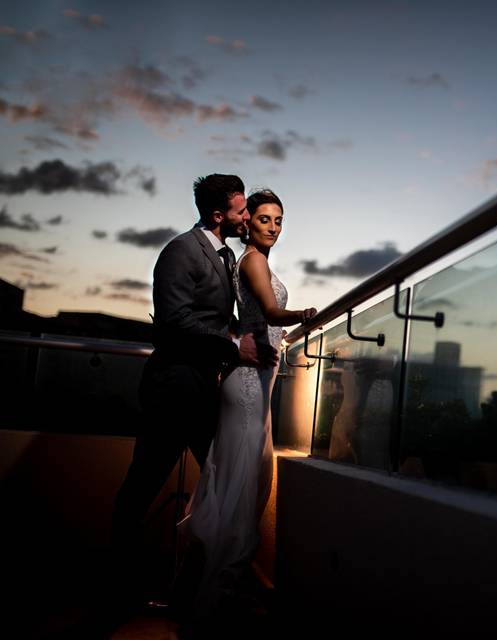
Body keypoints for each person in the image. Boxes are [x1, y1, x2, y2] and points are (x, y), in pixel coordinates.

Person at [110, 174, 273, 610]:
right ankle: (117, 588)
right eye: (242, 211)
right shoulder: (182, 250)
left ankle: (199, 584)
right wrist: (235, 345)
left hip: (204, 391)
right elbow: (174, 320)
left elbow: (213, 316)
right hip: (173, 390)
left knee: (219, 486)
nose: (246, 216)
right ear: (219, 215)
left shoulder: (224, 257)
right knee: (142, 488)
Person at [179, 188, 316, 628]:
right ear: (247, 224)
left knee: (247, 484)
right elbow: (273, 313)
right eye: (263, 219)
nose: (273, 227)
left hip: (259, 381)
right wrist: (303, 315)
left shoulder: (256, 261)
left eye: (278, 220)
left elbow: (258, 320)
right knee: (239, 489)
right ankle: (215, 596)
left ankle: (218, 586)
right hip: (246, 387)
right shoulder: (253, 261)